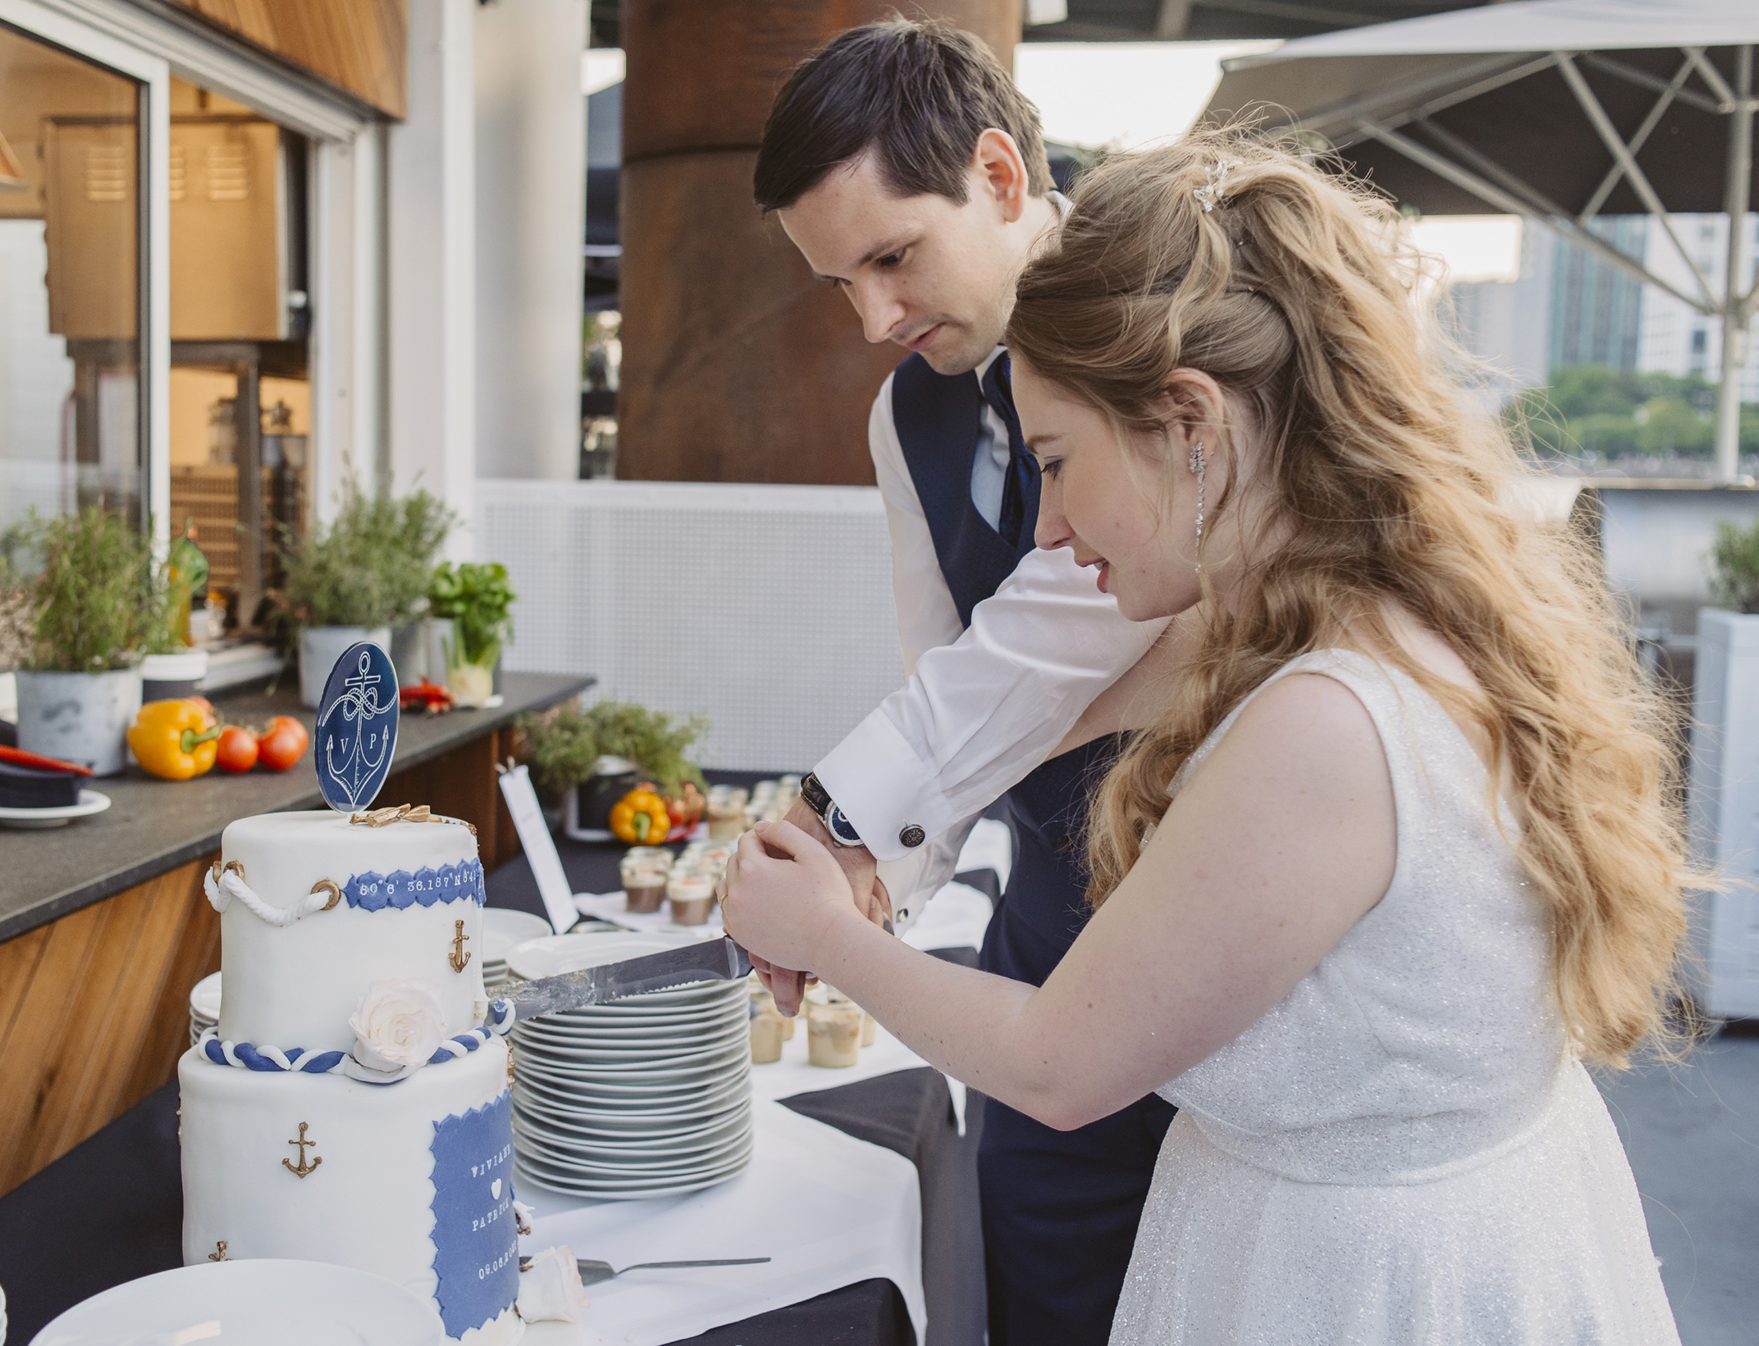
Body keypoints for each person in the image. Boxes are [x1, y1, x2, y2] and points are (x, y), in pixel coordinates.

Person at [722, 128, 1688, 1343]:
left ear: (1191, 421)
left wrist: (822, 930)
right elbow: (1026, 703)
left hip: (1358, 1285)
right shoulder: (1354, 613)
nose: (1054, 531)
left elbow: (1057, 1064)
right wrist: (852, 834)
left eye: (1061, 464)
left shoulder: (1325, 722)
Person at [749, 20, 1184, 1342]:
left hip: (1217, 924)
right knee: (1033, 1280)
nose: (876, 318)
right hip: (1046, 933)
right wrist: (882, 884)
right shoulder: (909, 412)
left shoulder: (1156, 306)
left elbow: (1058, 630)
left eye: (892, 257)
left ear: (1000, 177)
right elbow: (944, 660)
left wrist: (832, 821)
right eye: (842, 285)